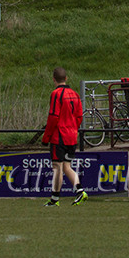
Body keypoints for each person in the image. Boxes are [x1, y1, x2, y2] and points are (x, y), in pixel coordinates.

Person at [41, 67, 87, 207]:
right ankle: (80, 191)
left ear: (53, 79)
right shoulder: (75, 94)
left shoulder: (56, 94)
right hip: (72, 137)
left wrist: (46, 137)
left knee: (57, 167)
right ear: (66, 78)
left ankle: (55, 199)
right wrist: (73, 129)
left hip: (59, 137)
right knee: (67, 166)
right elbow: (79, 116)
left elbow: (53, 116)